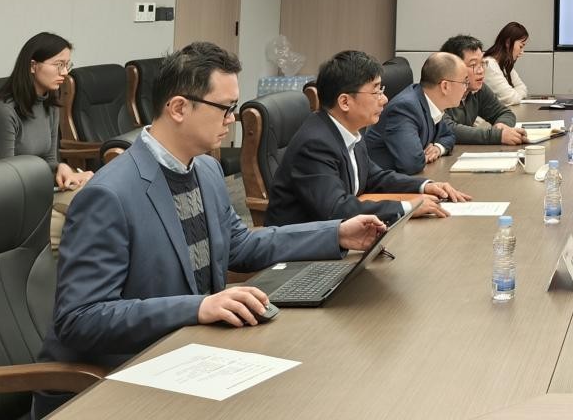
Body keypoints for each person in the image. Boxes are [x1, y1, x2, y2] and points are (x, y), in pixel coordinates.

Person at [37, 42, 388, 415]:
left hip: (188, 359)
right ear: (178, 108)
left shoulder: (205, 169)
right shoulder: (108, 194)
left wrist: (336, 233)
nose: (232, 120)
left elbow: (239, 246)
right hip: (113, 381)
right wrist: (199, 307)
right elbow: (81, 319)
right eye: (225, 108)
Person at [266, 50, 469, 226]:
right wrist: (407, 207)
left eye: (382, 90)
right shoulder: (315, 144)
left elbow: (374, 178)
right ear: (345, 102)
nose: (384, 99)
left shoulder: (349, 130)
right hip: (301, 249)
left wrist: (425, 186)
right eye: (376, 91)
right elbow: (336, 209)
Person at [0, 32, 92, 190]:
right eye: (59, 65)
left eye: (67, 65)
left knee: (92, 192)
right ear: (33, 66)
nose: (65, 72)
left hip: (31, 192)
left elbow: (49, 161)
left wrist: (61, 169)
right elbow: (5, 179)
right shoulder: (2, 113)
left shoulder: (50, 105)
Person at [364, 51, 470, 173]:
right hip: (382, 181)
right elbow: (411, 163)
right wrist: (422, 155)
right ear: (445, 86)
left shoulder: (428, 101)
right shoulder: (405, 108)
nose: (466, 88)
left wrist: (438, 148)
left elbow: (449, 135)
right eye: (464, 83)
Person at [441, 34, 526, 146]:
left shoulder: (477, 89)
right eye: (473, 65)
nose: (481, 70)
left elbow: (504, 113)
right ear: (452, 67)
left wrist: (502, 126)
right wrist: (497, 135)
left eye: (482, 63)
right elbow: (448, 129)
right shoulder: (440, 90)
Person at [482, 21, 530, 107]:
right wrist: (515, 94)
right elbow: (511, 99)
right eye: (521, 46)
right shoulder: (490, 65)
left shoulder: (505, 64)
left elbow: (523, 88)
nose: (522, 52)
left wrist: (515, 94)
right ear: (508, 42)